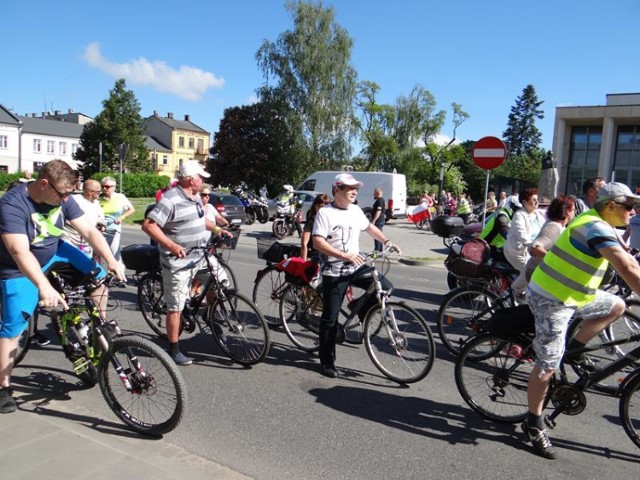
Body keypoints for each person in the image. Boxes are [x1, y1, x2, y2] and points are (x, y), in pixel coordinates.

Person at [523, 182, 640, 459]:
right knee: (547, 364)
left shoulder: (606, 224)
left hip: (577, 295)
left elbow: (630, 259)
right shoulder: (593, 226)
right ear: (611, 206)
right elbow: (627, 267)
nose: (633, 211)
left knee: (617, 305)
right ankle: (533, 422)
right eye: (629, 206)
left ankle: (574, 350)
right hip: (551, 298)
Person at [0, 160, 124, 413]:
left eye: (69, 193)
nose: (66, 199)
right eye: (63, 193)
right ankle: (3, 386)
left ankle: (95, 327)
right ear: (44, 184)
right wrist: (44, 287)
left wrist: (111, 260)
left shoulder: (64, 199)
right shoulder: (12, 205)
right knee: (13, 329)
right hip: (17, 267)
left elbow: (89, 232)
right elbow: (19, 251)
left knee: (98, 277)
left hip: (55, 251)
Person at [142, 161, 231, 366]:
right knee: (176, 307)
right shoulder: (170, 200)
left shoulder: (196, 197)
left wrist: (217, 230)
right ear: (192, 179)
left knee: (220, 283)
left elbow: (200, 221)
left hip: (200, 256)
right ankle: (173, 349)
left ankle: (210, 317)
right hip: (178, 263)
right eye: (201, 177)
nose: (203, 180)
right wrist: (170, 245)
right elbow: (149, 225)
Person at [312, 173, 400, 378]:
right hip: (335, 270)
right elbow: (317, 242)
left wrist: (387, 242)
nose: (355, 191)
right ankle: (327, 361)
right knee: (330, 319)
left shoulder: (355, 210)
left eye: (356, 188)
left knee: (386, 287)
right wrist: (343, 255)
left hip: (356, 265)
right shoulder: (325, 213)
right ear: (337, 190)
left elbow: (369, 228)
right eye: (350, 188)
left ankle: (359, 308)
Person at [503, 188, 545, 296]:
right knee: (530, 272)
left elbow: (547, 231)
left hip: (532, 251)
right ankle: (510, 293)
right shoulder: (519, 215)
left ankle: (523, 296)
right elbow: (523, 236)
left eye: (537, 199)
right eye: (534, 199)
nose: (537, 202)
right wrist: (533, 246)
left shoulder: (538, 215)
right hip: (517, 252)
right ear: (524, 202)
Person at [524, 195, 576, 282]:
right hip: (537, 272)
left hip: (540, 271)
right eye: (574, 209)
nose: (575, 212)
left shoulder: (558, 225)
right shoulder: (554, 227)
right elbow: (534, 248)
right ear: (567, 211)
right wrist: (556, 259)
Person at [99, 177, 135, 284]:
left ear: (114, 187)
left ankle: (121, 277)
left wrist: (121, 218)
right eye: (103, 186)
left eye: (108, 186)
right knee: (98, 253)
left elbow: (132, 209)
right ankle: (100, 275)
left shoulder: (120, 197)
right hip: (100, 229)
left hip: (114, 229)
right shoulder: (99, 198)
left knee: (114, 252)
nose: (105, 189)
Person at [478, 196, 521, 263]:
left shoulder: (510, 216)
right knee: (489, 268)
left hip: (499, 247)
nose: (519, 212)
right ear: (511, 206)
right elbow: (506, 232)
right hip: (487, 247)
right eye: (518, 209)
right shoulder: (502, 217)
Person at [300, 193, 329, 261]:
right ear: (314, 207)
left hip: (330, 256)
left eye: (323, 207)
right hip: (315, 256)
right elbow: (304, 244)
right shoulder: (311, 221)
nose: (320, 209)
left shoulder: (330, 221)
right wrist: (303, 263)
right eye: (318, 206)